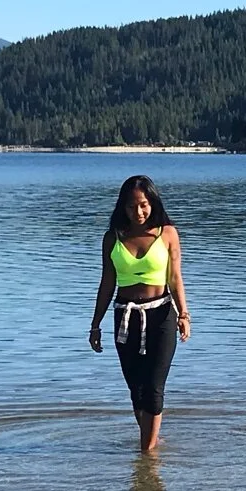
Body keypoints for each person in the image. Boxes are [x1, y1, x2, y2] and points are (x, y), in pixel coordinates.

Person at [87, 174, 190, 453]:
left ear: (152, 202)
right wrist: (95, 325)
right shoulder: (112, 239)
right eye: (132, 206)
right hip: (125, 317)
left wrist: (184, 315)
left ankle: (147, 456)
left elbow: (175, 277)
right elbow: (107, 282)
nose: (139, 212)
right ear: (122, 207)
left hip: (161, 317)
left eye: (143, 204)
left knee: (154, 388)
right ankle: (151, 442)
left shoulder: (167, 234)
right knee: (137, 390)